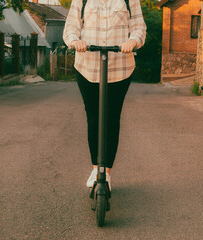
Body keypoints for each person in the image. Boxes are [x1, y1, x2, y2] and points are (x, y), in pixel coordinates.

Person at [63, 0, 146, 190]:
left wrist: (133, 41)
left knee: (111, 118)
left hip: (120, 67)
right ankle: (95, 169)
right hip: (87, 67)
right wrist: (75, 41)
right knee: (93, 119)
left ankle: (106, 173)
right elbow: (71, 27)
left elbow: (139, 27)